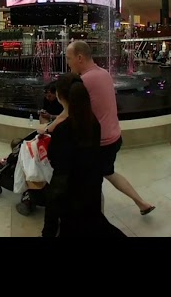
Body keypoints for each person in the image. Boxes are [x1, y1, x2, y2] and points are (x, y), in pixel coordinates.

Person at [61, 40, 155, 216]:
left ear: (79, 58)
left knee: (93, 183)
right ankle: (142, 203)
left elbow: (68, 113)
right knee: (108, 172)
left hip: (100, 143)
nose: (67, 63)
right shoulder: (104, 73)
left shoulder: (83, 82)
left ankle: (97, 222)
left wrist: (49, 127)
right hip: (114, 137)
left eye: (69, 58)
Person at [42, 72, 126, 238]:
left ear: (60, 96)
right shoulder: (92, 122)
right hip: (91, 194)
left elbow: (60, 180)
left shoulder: (64, 131)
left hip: (73, 203)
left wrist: (48, 229)